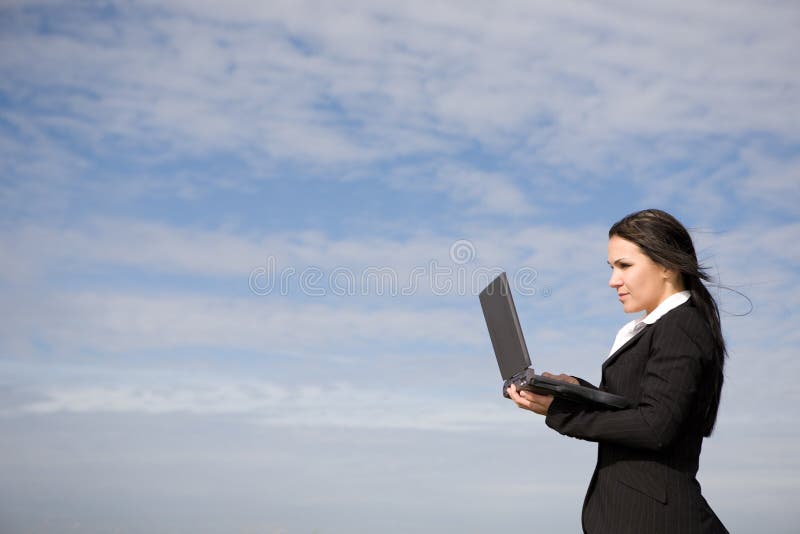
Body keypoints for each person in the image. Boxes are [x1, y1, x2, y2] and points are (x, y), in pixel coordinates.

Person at [507, 209, 729, 534]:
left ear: (667, 264)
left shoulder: (681, 325)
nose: (613, 280)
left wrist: (562, 413)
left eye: (624, 266)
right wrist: (573, 389)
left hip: (655, 520)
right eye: (612, 267)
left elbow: (655, 426)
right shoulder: (648, 329)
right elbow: (631, 407)